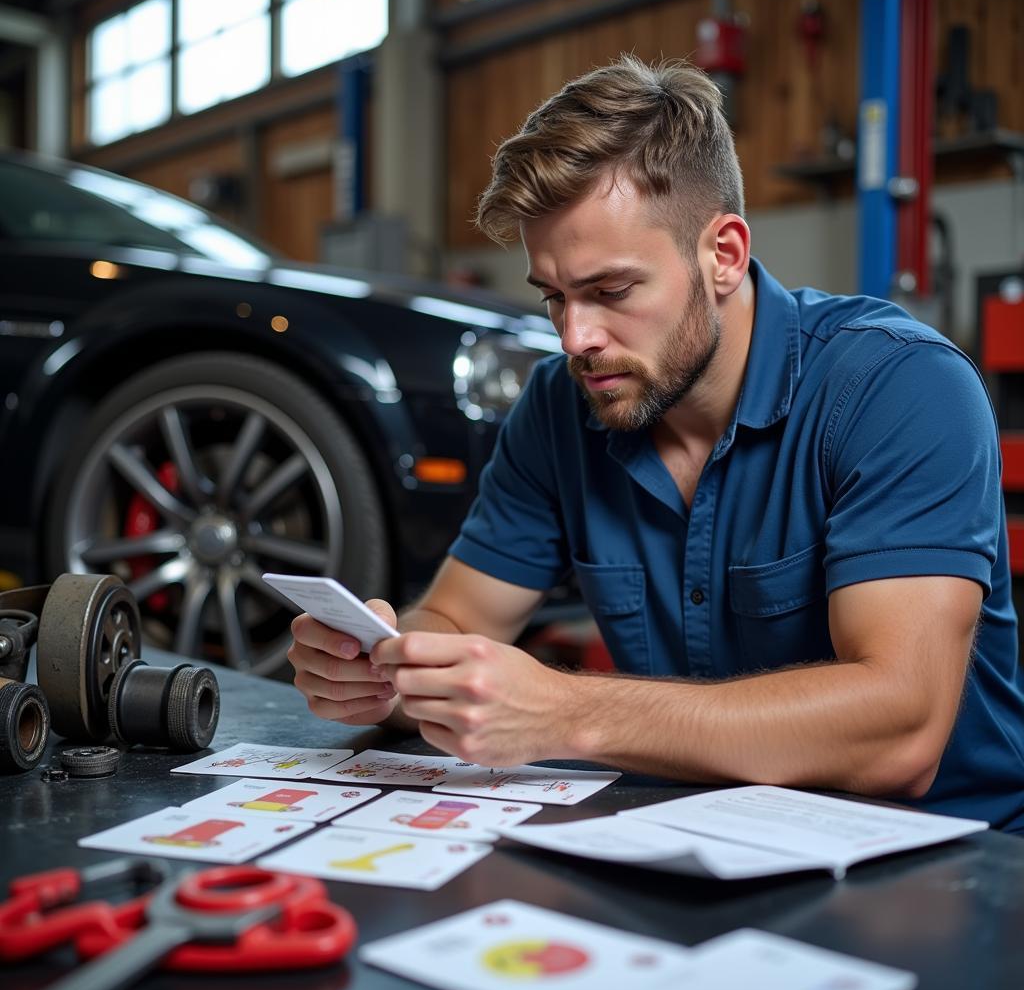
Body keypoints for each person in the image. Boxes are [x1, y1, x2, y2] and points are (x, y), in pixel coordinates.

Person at [289, 57, 1024, 833]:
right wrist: (388, 667)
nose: (577, 338)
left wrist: (566, 712)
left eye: (611, 291)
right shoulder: (558, 404)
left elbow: (899, 734)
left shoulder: (897, 387)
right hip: (705, 836)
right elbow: (460, 620)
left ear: (724, 255)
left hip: (947, 862)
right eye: (553, 297)